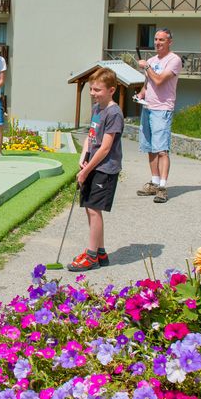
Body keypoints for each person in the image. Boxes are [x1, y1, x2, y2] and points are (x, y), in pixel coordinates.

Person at [68, 67, 124, 272]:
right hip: (92, 164)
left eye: (97, 90)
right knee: (90, 207)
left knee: (94, 209)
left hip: (105, 168)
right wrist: (84, 156)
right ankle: (99, 252)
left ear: (111, 90)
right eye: (91, 89)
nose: (93, 93)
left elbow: (106, 147)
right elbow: (91, 138)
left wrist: (86, 170)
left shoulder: (114, 113)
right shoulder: (97, 109)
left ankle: (91, 256)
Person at [136, 28, 182, 203]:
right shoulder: (152, 60)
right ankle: (154, 182)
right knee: (150, 148)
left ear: (169, 42)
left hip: (162, 109)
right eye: (155, 39)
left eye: (161, 40)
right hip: (148, 107)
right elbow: (148, 84)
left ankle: (163, 187)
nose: (157, 43)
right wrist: (141, 94)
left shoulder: (174, 60)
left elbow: (160, 80)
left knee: (162, 149)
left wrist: (146, 66)